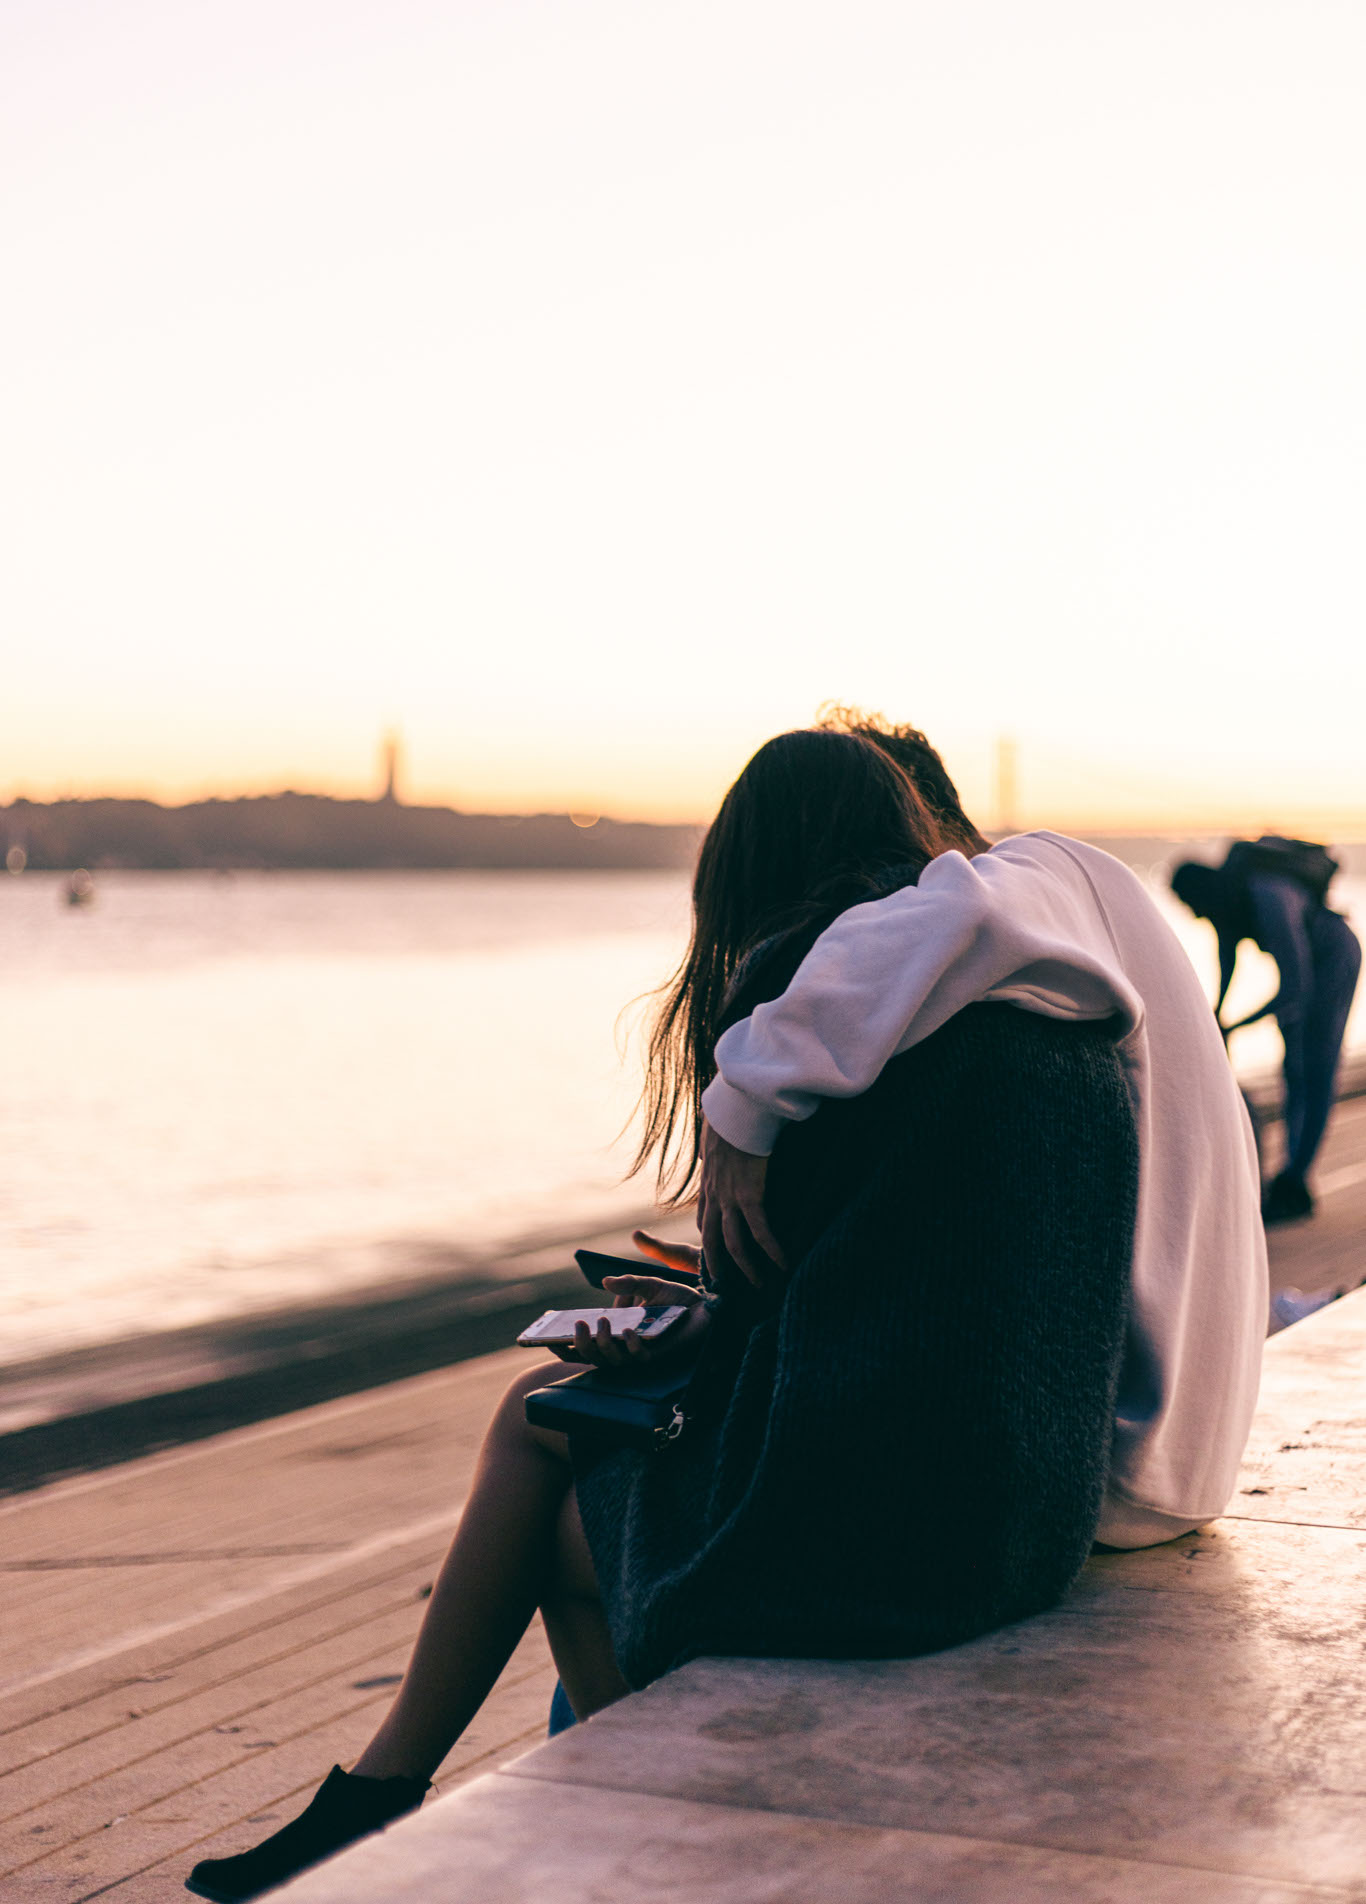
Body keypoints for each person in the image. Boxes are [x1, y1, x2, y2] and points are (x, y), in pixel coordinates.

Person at [185, 729, 1142, 1902]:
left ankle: (430, 1800)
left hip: (884, 1538)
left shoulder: (821, 1009)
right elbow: (895, 1280)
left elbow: (769, 1303)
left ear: (749, 871)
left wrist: (691, 1318)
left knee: (542, 1426)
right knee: (570, 1448)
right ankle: (566, 1802)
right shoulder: (1047, 1005)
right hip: (1025, 1522)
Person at [698, 711, 1267, 1551]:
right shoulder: (1066, 940)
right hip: (1184, 1447)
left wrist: (741, 1103)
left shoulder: (1044, 872)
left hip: (1106, 1456)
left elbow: (961, 916)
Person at [1171, 841, 1361, 1222]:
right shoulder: (1222, 909)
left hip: (1335, 956)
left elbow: (1296, 987)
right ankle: (1290, 1175)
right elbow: (1227, 969)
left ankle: (1295, 1183)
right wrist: (1218, 1018)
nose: (1193, 915)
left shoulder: (1270, 896)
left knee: (1316, 1067)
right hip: (1305, 967)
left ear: (1205, 890)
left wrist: (1239, 1026)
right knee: (1292, 1067)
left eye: (1191, 905)